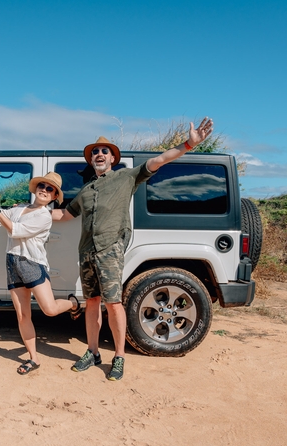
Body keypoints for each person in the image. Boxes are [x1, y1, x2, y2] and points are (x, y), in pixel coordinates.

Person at [52, 118, 215, 381]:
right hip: (87, 252)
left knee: (114, 304)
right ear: (91, 160)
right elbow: (65, 215)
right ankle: (92, 352)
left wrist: (189, 144)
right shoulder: (85, 191)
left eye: (104, 151)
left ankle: (119, 356)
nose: (99, 154)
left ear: (113, 158)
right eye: (95, 152)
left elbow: (159, 160)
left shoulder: (126, 177)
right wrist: (30, 213)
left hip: (109, 251)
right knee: (91, 302)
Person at [0, 171, 81, 375]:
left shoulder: (44, 216)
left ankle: (73, 303)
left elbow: (15, 230)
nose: (44, 190)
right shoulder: (19, 209)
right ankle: (34, 358)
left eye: (50, 189)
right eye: (42, 186)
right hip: (12, 261)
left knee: (50, 309)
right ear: (36, 189)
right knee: (23, 315)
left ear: (55, 196)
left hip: (32, 264)